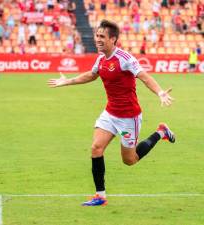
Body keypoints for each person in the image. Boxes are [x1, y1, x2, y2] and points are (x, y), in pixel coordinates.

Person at [47, 20, 175, 206]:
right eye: (97, 36)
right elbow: (91, 75)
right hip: (110, 113)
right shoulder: (101, 59)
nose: (97, 39)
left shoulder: (125, 58)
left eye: (102, 37)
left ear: (113, 39)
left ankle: (161, 132)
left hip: (128, 118)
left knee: (129, 160)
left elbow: (145, 77)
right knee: (96, 148)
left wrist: (160, 92)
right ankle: (100, 196)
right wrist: (67, 81)